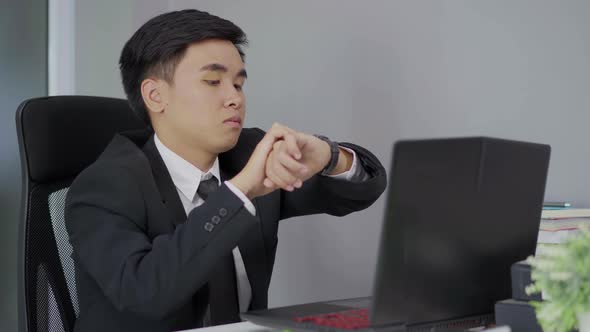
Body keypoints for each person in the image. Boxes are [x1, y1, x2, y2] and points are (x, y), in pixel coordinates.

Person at [65, 9, 387, 332]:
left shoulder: (246, 154)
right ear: (155, 95)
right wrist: (239, 192)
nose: (234, 98)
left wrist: (330, 157)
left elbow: (359, 191)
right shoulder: (103, 187)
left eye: (238, 84)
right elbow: (146, 292)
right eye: (213, 82)